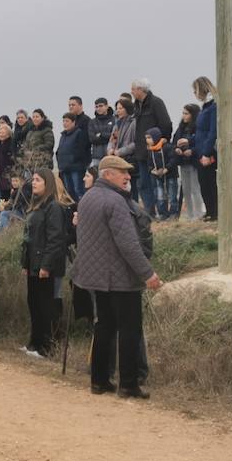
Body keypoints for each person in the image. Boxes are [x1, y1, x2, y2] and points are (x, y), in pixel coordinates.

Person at [73, 155, 163, 398]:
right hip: (120, 278)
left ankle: (99, 380)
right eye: (122, 172)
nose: (127, 177)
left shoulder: (87, 198)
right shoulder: (116, 202)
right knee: (130, 330)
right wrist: (148, 274)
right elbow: (129, 245)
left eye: (128, 173)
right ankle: (128, 384)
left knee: (104, 326)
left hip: (96, 277)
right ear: (107, 174)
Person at [20, 169, 69, 359]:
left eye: (38, 180)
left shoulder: (54, 207)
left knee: (46, 306)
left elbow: (55, 239)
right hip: (33, 263)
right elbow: (28, 238)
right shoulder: (35, 205)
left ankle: (46, 347)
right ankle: (34, 342)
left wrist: (46, 266)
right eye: (33, 180)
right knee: (33, 303)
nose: (34, 183)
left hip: (46, 265)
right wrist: (25, 263)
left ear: (47, 183)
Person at [131, 79, 173, 208]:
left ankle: (161, 210)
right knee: (143, 183)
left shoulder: (156, 103)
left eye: (133, 89)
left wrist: (164, 139)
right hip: (141, 150)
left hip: (155, 152)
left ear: (140, 89)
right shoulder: (136, 105)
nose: (131, 92)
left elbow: (166, 123)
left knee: (157, 183)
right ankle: (150, 211)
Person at [192, 77, 218, 221]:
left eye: (195, 90)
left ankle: (214, 212)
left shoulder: (214, 106)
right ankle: (209, 211)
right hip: (200, 149)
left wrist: (207, 152)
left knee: (210, 183)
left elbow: (213, 131)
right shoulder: (205, 106)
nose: (194, 93)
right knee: (204, 183)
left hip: (207, 151)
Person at [174, 104, 204, 220]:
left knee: (195, 189)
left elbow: (199, 143)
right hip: (183, 162)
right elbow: (174, 142)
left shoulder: (197, 127)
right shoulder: (181, 128)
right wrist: (176, 149)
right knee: (186, 190)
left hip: (194, 163)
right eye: (183, 113)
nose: (184, 116)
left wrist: (192, 151)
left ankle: (198, 214)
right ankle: (191, 215)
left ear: (193, 114)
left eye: (186, 113)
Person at [143, 127, 179, 219]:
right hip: (158, 177)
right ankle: (163, 213)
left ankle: (173, 213)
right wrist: (152, 170)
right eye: (146, 138)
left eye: (149, 138)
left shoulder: (167, 147)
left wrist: (167, 168)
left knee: (172, 195)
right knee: (160, 196)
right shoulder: (150, 150)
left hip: (170, 175)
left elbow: (173, 159)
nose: (147, 140)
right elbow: (149, 163)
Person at [56, 113, 91, 201]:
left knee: (78, 190)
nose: (65, 123)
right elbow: (59, 150)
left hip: (76, 168)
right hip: (64, 168)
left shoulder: (79, 133)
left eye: (67, 121)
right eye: (63, 121)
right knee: (68, 192)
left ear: (73, 122)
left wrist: (72, 160)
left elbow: (81, 151)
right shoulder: (63, 136)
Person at [21, 109, 55, 174]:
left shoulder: (47, 130)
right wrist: (25, 151)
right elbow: (26, 143)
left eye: (37, 117)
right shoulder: (30, 131)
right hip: (31, 163)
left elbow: (49, 144)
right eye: (33, 117)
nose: (35, 119)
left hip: (43, 162)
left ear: (42, 118)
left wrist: (36, 149)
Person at [87, 97, 115, 168]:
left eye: (101, 106)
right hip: (96, 157)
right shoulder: (92, 122)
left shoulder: (114, 120)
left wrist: (101, 135)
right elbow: (92, 139)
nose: (98, 108)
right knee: (96, 178)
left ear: (106, 106)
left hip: (110, 156)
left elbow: (114, 136)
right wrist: (107, 137)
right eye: (96, 107)